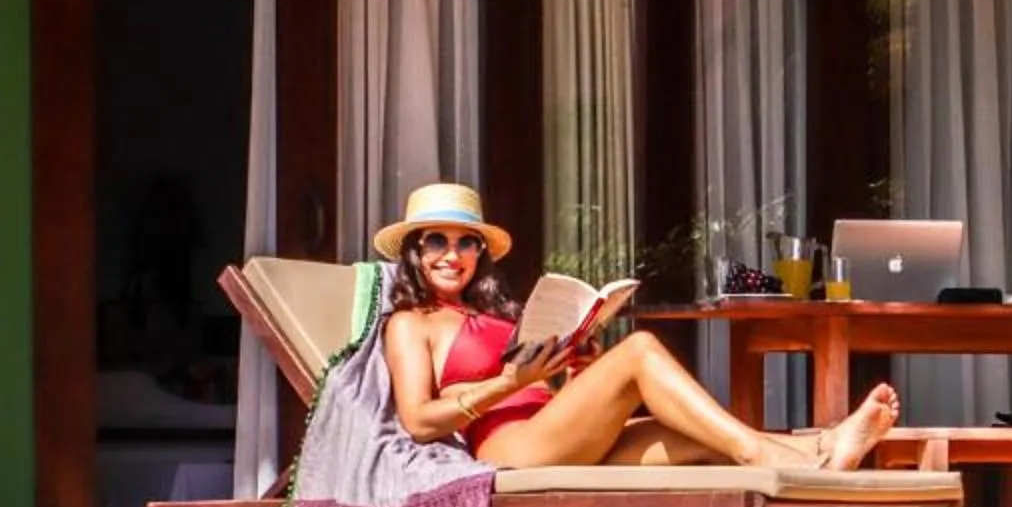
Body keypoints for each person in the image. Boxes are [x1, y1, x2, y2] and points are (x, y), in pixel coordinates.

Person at [371, 183, 901, 471]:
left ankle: (827, 447)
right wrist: (509, 382)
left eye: (466, 242)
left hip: (557, 432)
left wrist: (576, 367)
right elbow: (418, 421)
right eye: (436, 241)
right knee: (641, 348)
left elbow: (546, 398)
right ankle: (781, 457)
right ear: (415, 251)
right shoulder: (411, 323)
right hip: (510, 446)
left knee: (699, 434)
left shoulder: (497, 317)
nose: (452, 254)